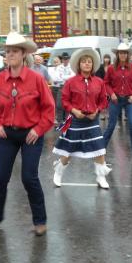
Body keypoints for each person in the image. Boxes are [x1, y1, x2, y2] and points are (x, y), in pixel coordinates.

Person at [0, 32, 55, 236]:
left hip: (31, 135)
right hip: (7, 135)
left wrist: (38, 130)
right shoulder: (0, 79)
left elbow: (49, 109)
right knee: (0, 177)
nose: (10, 54)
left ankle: (40, 221)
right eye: (8, 51)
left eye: (14, 51)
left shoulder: (36, 79)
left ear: (23, 54)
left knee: (29, 178)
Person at [52, 48, 110, 188]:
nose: (87, 64)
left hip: (92, 120)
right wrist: (74, 111)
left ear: (92, 65)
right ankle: (58, 172)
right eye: (84, 61)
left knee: (99, 148)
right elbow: (65, 101)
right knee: (68, 150)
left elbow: (103, 100)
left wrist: (97, 110)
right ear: (79, 65)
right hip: (74, 120)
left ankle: (101, 177)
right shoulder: (71, 82)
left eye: (89, 61)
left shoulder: (99, 82)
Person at [103, 43, 132, 161]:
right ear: (117, 54)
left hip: (129, 99)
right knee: (111, 126)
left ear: (128, 54)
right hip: (115, 99)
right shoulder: (111, 68)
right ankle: (102, 149)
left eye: (125, 52)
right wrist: (111, 94)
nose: (123, 55)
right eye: (121, 52)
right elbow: (106, 83)